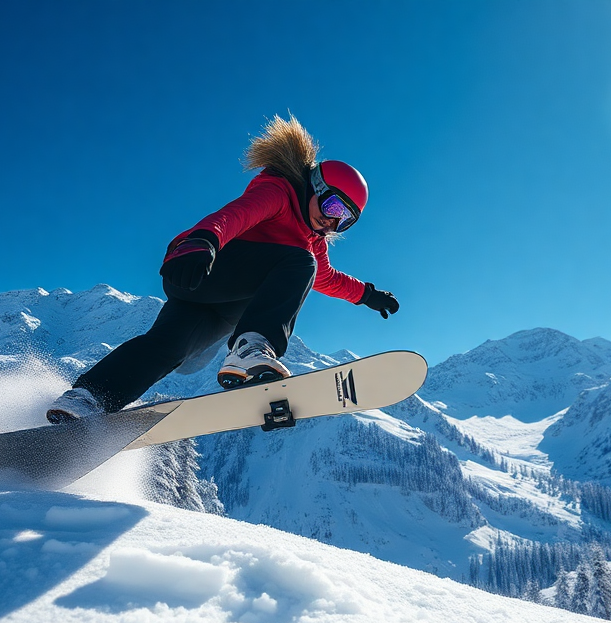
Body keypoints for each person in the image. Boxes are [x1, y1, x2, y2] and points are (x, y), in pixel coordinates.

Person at [46, 115, 400, 423]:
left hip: (220, 307)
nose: (331, 220)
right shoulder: (279, 192)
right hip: (200, 267)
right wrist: (203, 243)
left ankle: (87, 398)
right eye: (332, 205)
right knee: (299, 262)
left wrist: (366, 295)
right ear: (316, 187)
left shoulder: (313, 242)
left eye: (345, 221)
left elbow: (324, 278)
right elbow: (234, 216)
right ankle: (252, 345)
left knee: (167, 348)